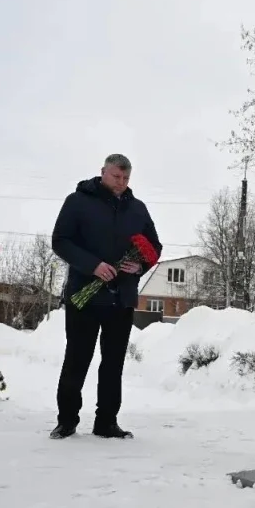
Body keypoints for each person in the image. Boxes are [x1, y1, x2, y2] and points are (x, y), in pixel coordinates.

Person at [49, 153, 162, 440]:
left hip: (121, 299)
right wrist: (93, 266)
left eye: (126, 178)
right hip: (83, 298)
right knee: (77, 359)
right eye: (116, 176)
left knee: (113, 364)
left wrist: (142, 265)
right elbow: (60, 241)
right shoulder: (77, 202)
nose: (121, 183)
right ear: (103, 172)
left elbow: (154, 247)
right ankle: (67, 421)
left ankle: (106, 422)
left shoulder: (138, 209)